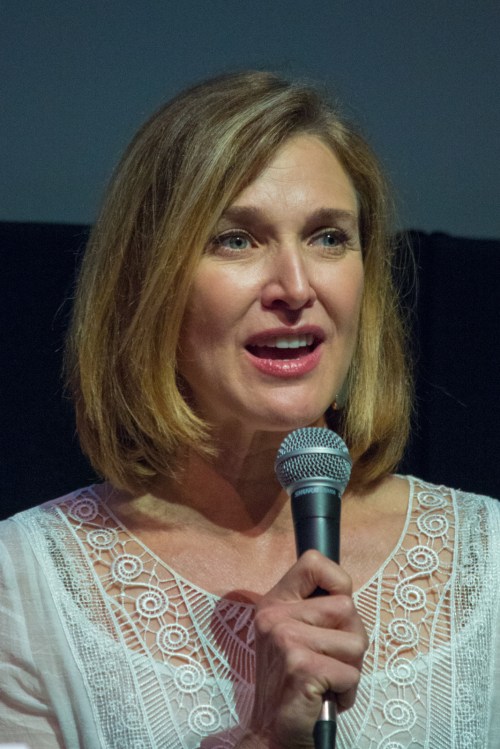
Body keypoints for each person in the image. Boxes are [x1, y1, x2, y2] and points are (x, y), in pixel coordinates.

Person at [0, 70, 499, 749]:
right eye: (237, 239)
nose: (295, 286)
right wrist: (265, 738)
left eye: (328, 237)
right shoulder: (26, 587)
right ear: (148, 283)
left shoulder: (486, 560)